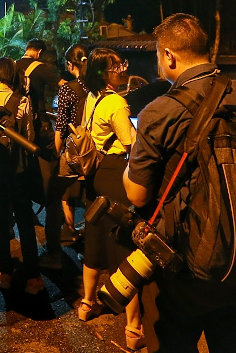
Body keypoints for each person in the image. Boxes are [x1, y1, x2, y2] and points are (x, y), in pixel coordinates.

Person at [124, 13, 236, 352]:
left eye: (158, 54)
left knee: (174, 337)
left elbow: (139, 195)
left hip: (189, 264)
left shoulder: (162, 110)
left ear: (169, 56)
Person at [75, 48, 142, 350]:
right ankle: (133, 328)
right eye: (118, 66)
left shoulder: (91, 97)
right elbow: (131, 144)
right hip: (115, 173)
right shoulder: (115, 101)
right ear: (105, 72)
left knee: (93, 237)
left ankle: (87, 304)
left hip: (94, 174)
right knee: (125, 246)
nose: (123, 69)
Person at [0, 58, 45, 296]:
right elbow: (30, 137)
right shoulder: (23, 101)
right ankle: (33, 278)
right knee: (24, 221)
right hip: (19, 172)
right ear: (12, 76)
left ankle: (5, 274)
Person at [38, 43, 89, 270]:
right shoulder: (97, 87)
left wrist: (57, 153)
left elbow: (60, 127)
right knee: (92, 199)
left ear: (70, 65)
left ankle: (54, 253)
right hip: (94, 150)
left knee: (54, 198)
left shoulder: (68, 88)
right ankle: (90, 247)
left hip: (73, 150)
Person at [14, 39, 65, 254]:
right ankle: (53, 212)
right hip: (40, 129)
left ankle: (21, 211)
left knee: (20, 173)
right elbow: (64, 88)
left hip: (17, 129)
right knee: (52, 174)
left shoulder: (12, 66)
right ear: (40, 51)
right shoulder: (42, 68)